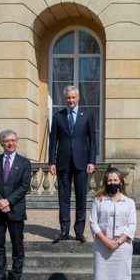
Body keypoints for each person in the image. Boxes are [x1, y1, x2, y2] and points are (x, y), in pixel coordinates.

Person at [90, 167, 137, 280]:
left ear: (121, 182)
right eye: (110, 180)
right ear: (105, 182)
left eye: (115, 180)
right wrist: (105, 240)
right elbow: (93, 223)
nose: (112, 183)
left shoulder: (129, 202)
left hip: (122, 247)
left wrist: (118, 241)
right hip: (102, 246)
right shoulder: (98, 200)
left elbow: (132, 225)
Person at [48, 85, 96, 244]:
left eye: (73, 97)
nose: (71, 100)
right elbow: (53, 141)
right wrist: (51, 162)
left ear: (78, 98)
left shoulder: (87, 115)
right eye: (68, 97)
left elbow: (92, 140)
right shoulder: (58, 116)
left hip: (82, 162)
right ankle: (64, 231)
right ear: (65, 98)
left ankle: (79, 232)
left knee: (81, 198)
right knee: (64, 198)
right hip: (62, 163)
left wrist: (91, 161)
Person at [0, 129, 32, 280]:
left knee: (17, 245)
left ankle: (16, 276)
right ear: (1, 143)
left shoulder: (24, 163)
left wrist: (8, 201)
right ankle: (0, 276)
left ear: (16, 142)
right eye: (7, 141)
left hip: (15, 209)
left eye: (13, 140)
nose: (10, 143)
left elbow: (24, 186)